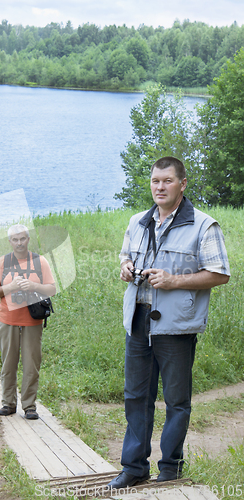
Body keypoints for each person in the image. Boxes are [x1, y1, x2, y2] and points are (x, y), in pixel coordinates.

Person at [107, 156, 230, 489]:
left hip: (176, 325)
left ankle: (170, 468)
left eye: (167, 181)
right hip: (138, 318)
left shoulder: (204, 225)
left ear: (182, 184)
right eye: (155, 181)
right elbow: (125, 255)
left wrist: (174, 280)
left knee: (176, 400)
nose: (159, 187)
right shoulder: (137, 221)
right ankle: (134, 467)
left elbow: (220, 274)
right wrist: (125, 267)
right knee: (135, 397)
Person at [0, 224, 56, 420]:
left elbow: (51, 289)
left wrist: (33, 285)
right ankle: (8, 404)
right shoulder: (2, 262)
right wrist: (9, 287)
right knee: (8, 363)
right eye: (15, 239)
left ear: (28, 239)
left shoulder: (40, 262)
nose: (19, 243)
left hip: (32, 321)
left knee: (31, 364)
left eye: (22, 239)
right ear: (10, 242)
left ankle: (29, 406)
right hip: (8, 319)